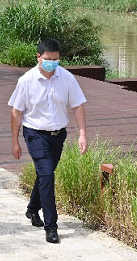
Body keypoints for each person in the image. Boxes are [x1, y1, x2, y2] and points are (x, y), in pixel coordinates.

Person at [8, 38, 88, 244]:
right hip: (34, 133)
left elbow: (78, 105)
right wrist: (15, 141)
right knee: (47, 174)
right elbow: (16, 112)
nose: (52, 63)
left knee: (46, 174)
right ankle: (51, 226)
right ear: (38, 57)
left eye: (56, 59)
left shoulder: (67, 78)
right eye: (48, 59)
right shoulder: (26, 81)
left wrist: (82, 133)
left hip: (58, 134)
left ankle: (32, 209)